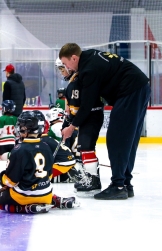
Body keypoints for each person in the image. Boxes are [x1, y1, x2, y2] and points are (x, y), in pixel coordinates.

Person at [59, 43, 151, 200]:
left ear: (74, 58)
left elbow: (86, 105)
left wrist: (71, 126)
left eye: (66, 63)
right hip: (139, 87)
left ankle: (118, 186)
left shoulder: (89, 70)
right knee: (129, 138)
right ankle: (125, 183)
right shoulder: (90, 57)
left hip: (130, 91)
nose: (67, 68)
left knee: (117, 138)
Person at [0, 111, 80, 215]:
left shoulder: (18, 150)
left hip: (24, 196)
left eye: (21, 125)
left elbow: (11, 182)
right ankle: (53, 200)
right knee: (41, 192)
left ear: (26, 128)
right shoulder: (46, 146)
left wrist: (2, 178)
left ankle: (26, 208)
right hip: (46, 193)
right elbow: (49, 176)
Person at [56, 58, 104, 197]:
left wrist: (70, 124)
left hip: (90, 117)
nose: (62, 71)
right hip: (91, 116)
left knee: (86, 147)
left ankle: (93, 180)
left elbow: (76, 108)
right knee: (85, 148)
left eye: (62, 67)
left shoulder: (76, 82)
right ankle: (92, 177)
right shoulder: (76, 80)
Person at [33, 110, 83, 184]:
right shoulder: (68, 126)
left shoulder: (55, 127)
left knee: (40, 178)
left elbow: (62, 144)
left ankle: (65, 176)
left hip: (67, 162)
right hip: (80, 160)